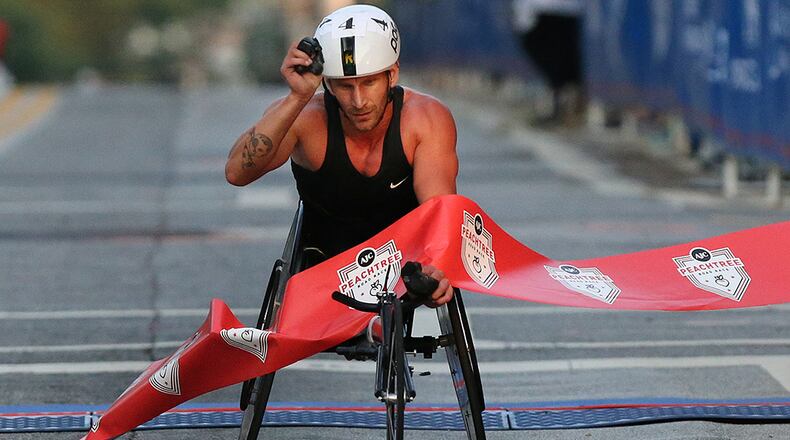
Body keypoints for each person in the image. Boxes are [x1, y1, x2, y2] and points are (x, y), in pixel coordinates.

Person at [226, 4, 456, 306]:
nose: (358, 100)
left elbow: (439, 207)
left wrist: (437, 268)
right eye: (345, 86)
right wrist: (297, 97)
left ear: (392, 74)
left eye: (369, 83)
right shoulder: (306, 117)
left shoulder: (425, 119)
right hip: (325, 263)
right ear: (327, 83)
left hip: (402, 263)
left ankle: (375, 324)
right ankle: (370, 325)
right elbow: (237, 173)